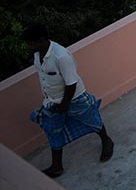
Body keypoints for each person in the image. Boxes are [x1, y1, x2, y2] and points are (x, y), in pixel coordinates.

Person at [24, 23, 114, 178]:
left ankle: (106, 141)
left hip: (74, 98)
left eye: (31, 43)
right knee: (53, 130)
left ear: (41, 40)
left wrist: (65, 104)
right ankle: (57, 166)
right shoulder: (38, 55)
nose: (28, 47)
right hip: (52, 101)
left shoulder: (61, 56)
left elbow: (71, 83)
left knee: (91, 119)